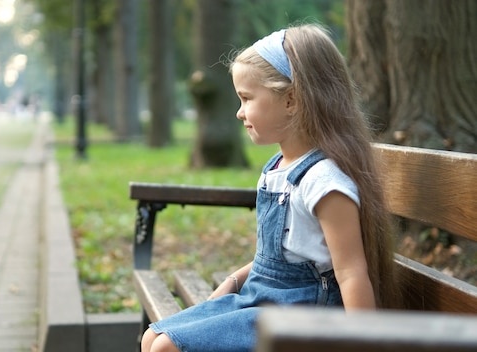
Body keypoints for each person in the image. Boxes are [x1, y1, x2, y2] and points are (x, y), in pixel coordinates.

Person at [141, 23, 400, 352]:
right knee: (152, 338)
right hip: (260, 300)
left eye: (246, 98)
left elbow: (350, 272)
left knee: (166, 348)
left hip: (303, 319)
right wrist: (234, 280)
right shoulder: (276, 168)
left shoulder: (323, 182)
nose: (239, 112)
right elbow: (282, 255)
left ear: (291, 99)